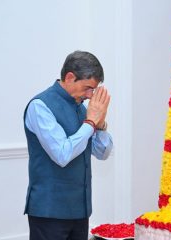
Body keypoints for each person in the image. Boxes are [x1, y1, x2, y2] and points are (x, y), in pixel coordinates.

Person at [23, 51, 113, 240]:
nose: (90, 95)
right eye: (88, 88)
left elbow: (102, 152)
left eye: (94, 90)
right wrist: (90, 123)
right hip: (50, 212)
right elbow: (62, 154)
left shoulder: (80, 107)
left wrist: (101, 124)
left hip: (80, 210)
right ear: (70, 77)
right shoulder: (40, 106)